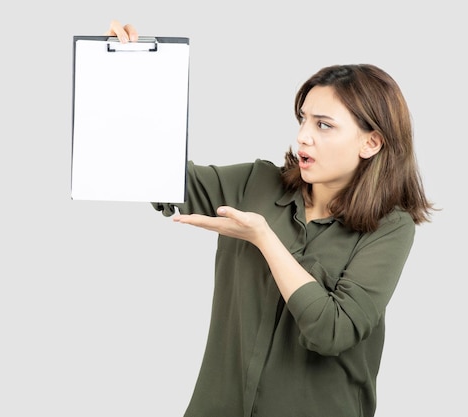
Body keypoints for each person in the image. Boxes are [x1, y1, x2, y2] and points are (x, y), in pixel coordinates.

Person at [105, 20, 435, 417]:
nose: (303, 137)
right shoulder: (257, 183)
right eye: (303, 119)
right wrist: (130, 78)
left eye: (323, 125)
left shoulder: (390, 227)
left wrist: (263, 238)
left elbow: (332, 331)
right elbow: (153, 175)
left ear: (371, 142)